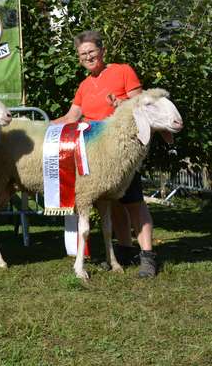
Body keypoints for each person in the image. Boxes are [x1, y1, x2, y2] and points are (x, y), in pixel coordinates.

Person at [54, 30, 158, 277]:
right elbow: (71, 117)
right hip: (94, 153)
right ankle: (123, 250)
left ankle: (148, 257)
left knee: (133, 201)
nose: (88, 57)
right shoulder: (84, 86)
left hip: (121, 150)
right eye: (82, 54)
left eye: (91, 51)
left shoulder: (123, 71)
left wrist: (120, 104)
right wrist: (44, 126)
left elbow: (142, 103)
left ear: (102, 51)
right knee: (112, 203)